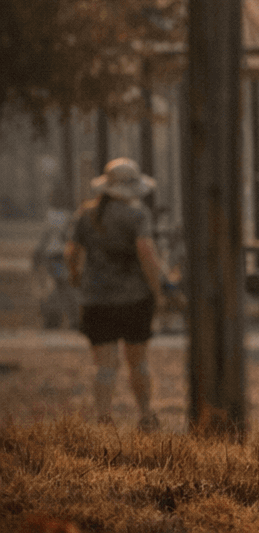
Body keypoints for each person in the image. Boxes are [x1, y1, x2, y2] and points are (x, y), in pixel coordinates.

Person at [63, 157, 164, 430]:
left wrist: (75, 277)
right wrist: (159, 291)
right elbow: (147, 254)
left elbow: (71, 253)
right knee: (138, 362)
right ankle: (145, 415)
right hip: (135, 299)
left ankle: (104, 419)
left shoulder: (86, 214)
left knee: (105, 365)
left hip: (96, 300)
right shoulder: (137, 215)